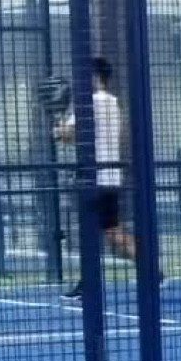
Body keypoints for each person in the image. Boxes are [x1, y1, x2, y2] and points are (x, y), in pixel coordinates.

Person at [55, 56, 142, 298]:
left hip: (95, 179)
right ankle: (152, 271)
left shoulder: (89, 102)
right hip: (111, 176)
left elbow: (67, 135)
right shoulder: (113, 103)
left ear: (95, 76)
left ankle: (89, 283)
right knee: (112, 230)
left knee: (94, 231)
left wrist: (58, 128)